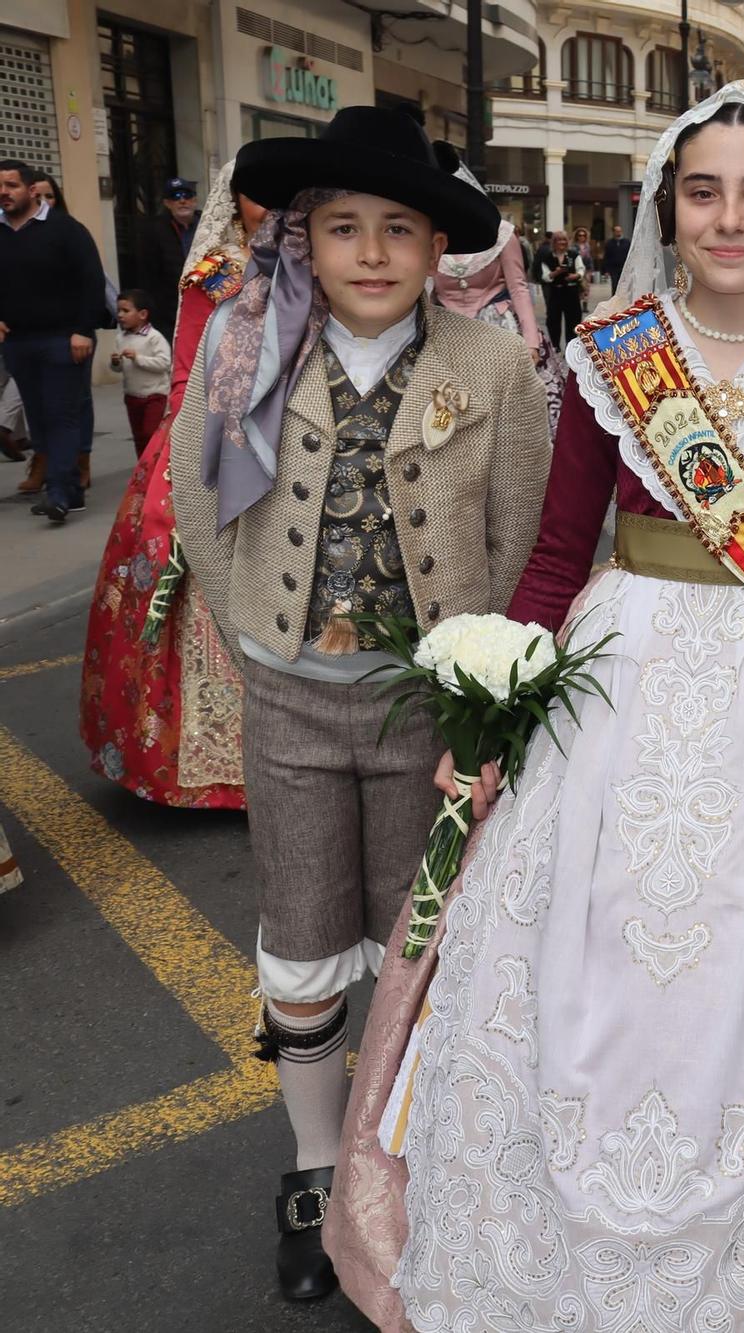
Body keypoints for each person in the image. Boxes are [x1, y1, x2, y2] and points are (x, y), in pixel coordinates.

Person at [323, 81, 744, 1333]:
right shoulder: (615, 354)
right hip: (622, 682)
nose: (729, 218)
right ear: (669, 207)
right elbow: (554, 554)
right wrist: (491, 722)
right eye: (702, 192)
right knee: (587, 953)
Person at [167, 105, 551, 1302]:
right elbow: (193, 492)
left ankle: (399, 1153)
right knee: (302, 940)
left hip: (427, 712)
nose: (373, 252)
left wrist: (481, 675)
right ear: (306, 239)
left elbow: (520, 523)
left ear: (440, 250)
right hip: (290, 701)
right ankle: (315, 1159)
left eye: (399, 229)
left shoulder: (489, 364)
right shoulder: (249, 341)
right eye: (343, 228)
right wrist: (245, 628)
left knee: (413, 938)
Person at [80, 163, 262, 811]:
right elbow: (187, 369)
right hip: (213, 438)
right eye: (256, 191)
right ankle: (214, 770)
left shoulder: (319, 258)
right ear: (231, 201)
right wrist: (191, 453)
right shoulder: (214, 272)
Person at [0, 157, 105, 525]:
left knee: (62, 415)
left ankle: (60, 493)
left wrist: (81, 329)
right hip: (17, 343)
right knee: (39, 418)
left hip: (63, 340)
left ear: (31, 189)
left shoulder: (65, 230)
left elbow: (91, 281)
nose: (3, 192)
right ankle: (69, 491)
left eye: (11, 185)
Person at [428, 145, 558, 431]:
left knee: (501, 412)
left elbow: (519, 287)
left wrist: (531, 340)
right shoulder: (428, 236)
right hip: (446, 331)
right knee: (443, 411)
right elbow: (426, 293)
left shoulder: (501, 234)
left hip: (497, 327)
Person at [139, 176, 201, 343]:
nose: (182, 201)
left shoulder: (207, 225)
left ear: (194, 200)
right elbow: (149, 275)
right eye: (175, 197)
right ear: (167, 203)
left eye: (186, 196)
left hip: (206, 301)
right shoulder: (155, 231)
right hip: (171, 312)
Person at [110, 289, 171, 452]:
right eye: (118, 311)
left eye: (126, 310)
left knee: (150, 434)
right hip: (132, 395)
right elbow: (119, 369)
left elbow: (164, 363)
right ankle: (142, 471)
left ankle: (155, 466)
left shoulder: (154, 337)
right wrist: (116, 363)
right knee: (138, 436)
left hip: (154, 395)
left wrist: (138, 358)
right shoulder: (120, 338)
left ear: (143, 314)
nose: (120, 315)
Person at [536, 226, 585, 349]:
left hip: (571, 291)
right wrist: (556, 273)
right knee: (553, 320)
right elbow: (545, 276)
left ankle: (572, 346)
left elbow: (581, 269)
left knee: (573, 320)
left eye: (564, 240)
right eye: (559, 240)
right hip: (555, 292)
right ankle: (555, 346)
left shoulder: (574, 254)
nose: (562, 242)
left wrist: (575, 276)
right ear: (554, 242)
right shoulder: (547, 257)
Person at [601, 219, 630, 289]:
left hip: (624, 267)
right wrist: (605, 270)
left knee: (623, 285)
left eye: (619, 231)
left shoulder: (627, 242)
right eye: (616, 231)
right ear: (613, 232)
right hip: (613, 268)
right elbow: (606, 257)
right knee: (614, 285)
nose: (618, 233)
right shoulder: (609, 243)